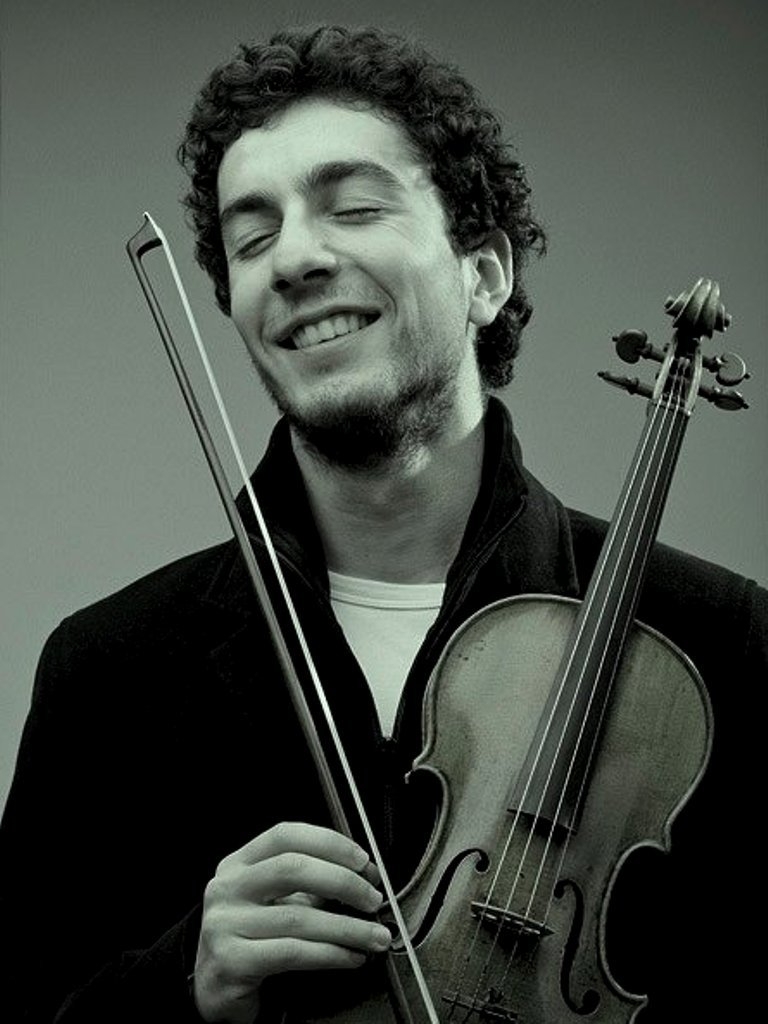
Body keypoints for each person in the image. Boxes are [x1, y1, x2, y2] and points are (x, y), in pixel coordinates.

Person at [1, 23, 764, 1024]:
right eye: (253, 238)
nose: (294, 258)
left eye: (354, 207)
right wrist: (182, 980)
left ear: (484, 276)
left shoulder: (715, 641)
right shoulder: (109, 672)